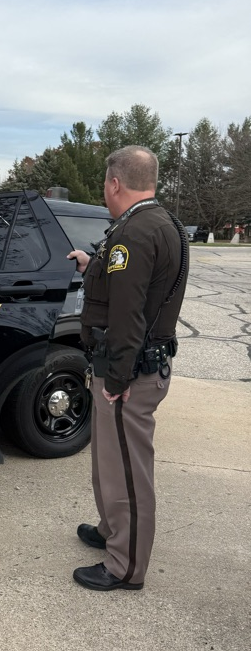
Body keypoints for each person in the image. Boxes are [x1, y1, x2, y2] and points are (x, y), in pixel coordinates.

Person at [67, 145, 188, 592]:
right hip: (129, 366)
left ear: (115, 182)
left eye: (104, 183)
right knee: (109, 462)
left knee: (129, 471)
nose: (104, 190)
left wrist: (117, 379)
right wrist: (91, 264)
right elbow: (135, 286)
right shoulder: (157, 222)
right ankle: (112, 531)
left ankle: (126, 567)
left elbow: (129, 314)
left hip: (130, 372)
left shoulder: (136, 232)